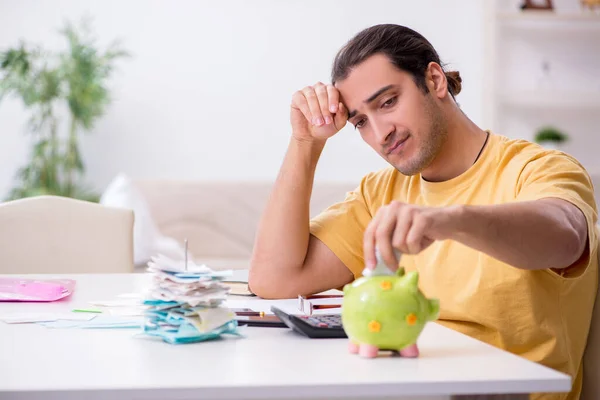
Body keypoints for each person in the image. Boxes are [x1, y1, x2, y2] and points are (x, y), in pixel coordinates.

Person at [248, 23, 598, 400]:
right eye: (361, 121)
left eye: (387, 102)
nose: (380, 133)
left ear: (434, 80)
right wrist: (305, 142)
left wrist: (449, 219)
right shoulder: (379, 193)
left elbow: (566, 237)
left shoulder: (539, 168)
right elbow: (273, 280)